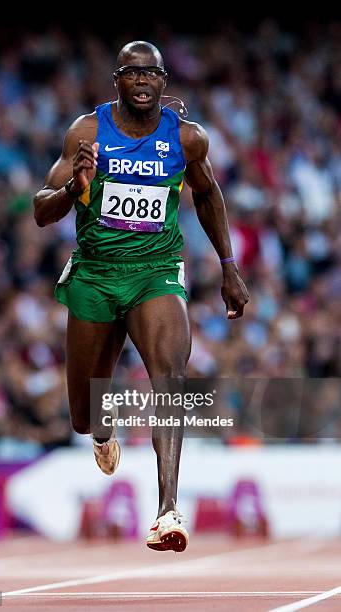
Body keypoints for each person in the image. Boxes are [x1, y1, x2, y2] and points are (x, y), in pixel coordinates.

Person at [33, 40, 249, 552]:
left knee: (171, 379)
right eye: (132, 73)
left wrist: (228, 265)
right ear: (117, 81)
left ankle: (168, 510)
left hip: (156, 272)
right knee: (85, 415)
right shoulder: (87, 132)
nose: (142, 80)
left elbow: (207, 193)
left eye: (151, 73)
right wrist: (73, 189)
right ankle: (102, 433)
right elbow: (41, 212)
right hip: (96, 273)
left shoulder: (188, 139)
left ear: (164, 81)